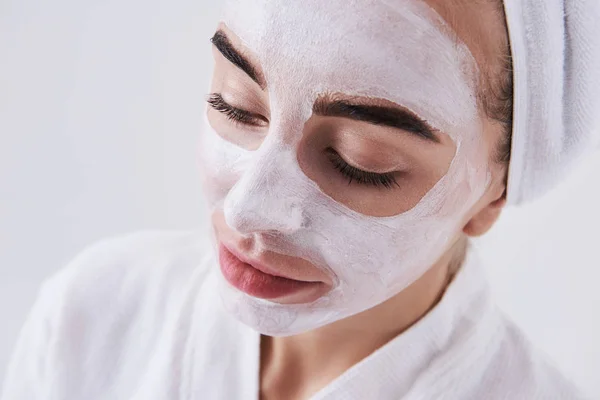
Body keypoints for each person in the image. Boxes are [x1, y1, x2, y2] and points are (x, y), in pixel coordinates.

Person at [2, 0, 599, 399]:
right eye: (235, 106)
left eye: (361, 163)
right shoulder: (96, 319)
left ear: (493, 192)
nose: (248, 210)